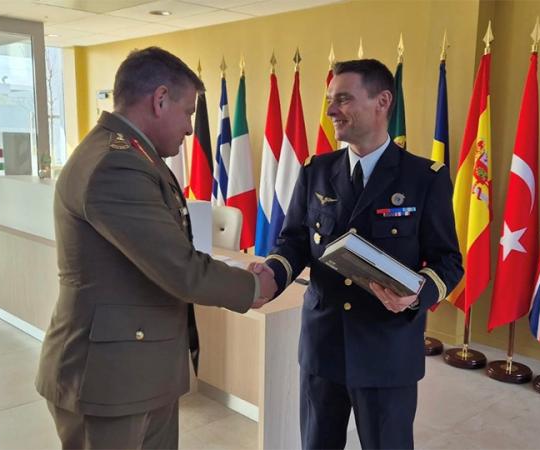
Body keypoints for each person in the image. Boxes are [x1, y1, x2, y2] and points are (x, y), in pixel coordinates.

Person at [35, 46, 276, 449]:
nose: (188, 128)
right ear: (159, 99)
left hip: (139, 369)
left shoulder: (134, 155)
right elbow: (178, 267)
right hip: (109, 381)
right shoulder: (115, 164)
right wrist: (253, 288)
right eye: (187, 113)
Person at [250, 59, 463, 449]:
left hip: (387, 349)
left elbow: (448, 261)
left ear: (382, 101)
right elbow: (294, 241)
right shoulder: (316, 170)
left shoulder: (424, 178)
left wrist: (417, 294)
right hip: (323, 346)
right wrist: (271, 276)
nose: (331, 110)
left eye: (343, 99)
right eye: (331, 99)